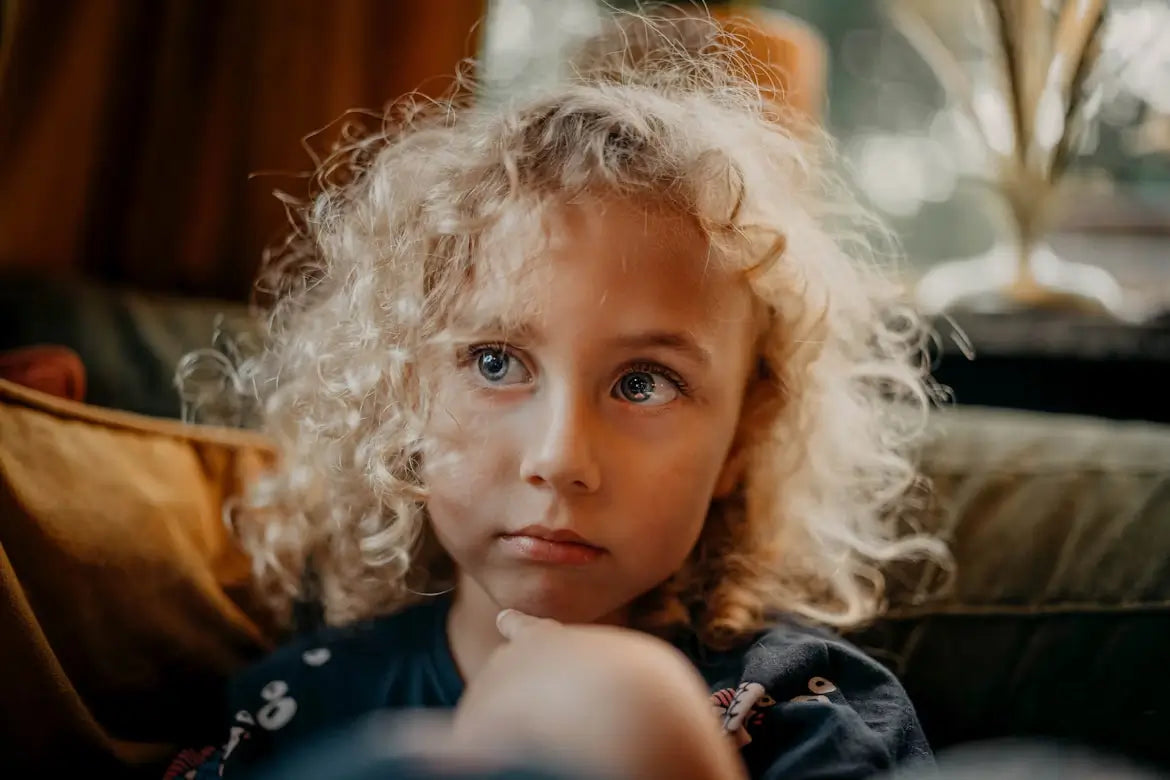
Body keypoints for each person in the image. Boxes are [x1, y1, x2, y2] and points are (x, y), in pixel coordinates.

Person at [168, 7, 951, 779]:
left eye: (644, 383)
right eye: (497, 363)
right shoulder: (294, 705)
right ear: (406, 392)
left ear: (745, 437)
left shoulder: (805, 708)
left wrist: (635, 714)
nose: (559, 458)